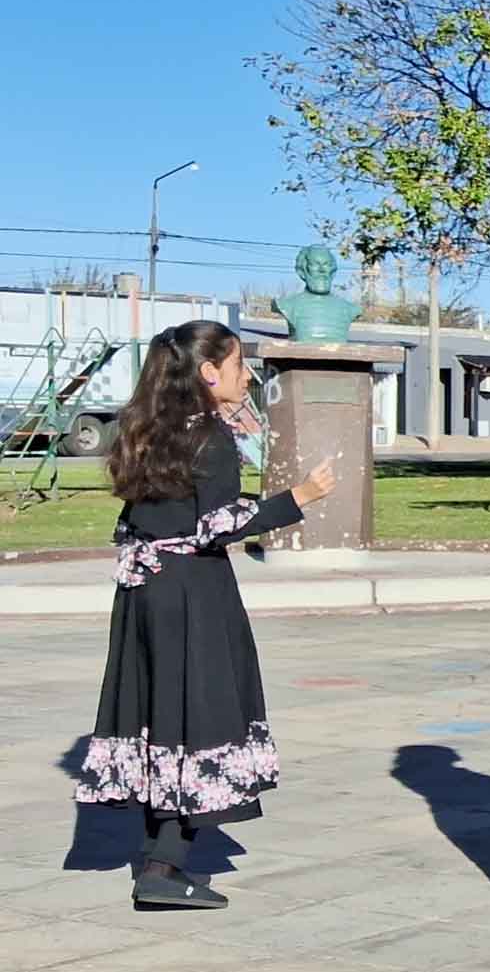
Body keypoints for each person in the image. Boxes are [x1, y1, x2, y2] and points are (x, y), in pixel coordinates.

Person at [79, 320, 339, 909]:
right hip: (194, 594)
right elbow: (216, 526)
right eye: (240, 363)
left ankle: (159, 860)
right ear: (208, 372)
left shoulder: (140, 431)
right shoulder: (211, 441)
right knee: (199, 716)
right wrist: (297, 499)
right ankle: (164, 867)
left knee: (158, 715)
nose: (247, 374)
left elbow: (135, 520)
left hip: (144, 592)